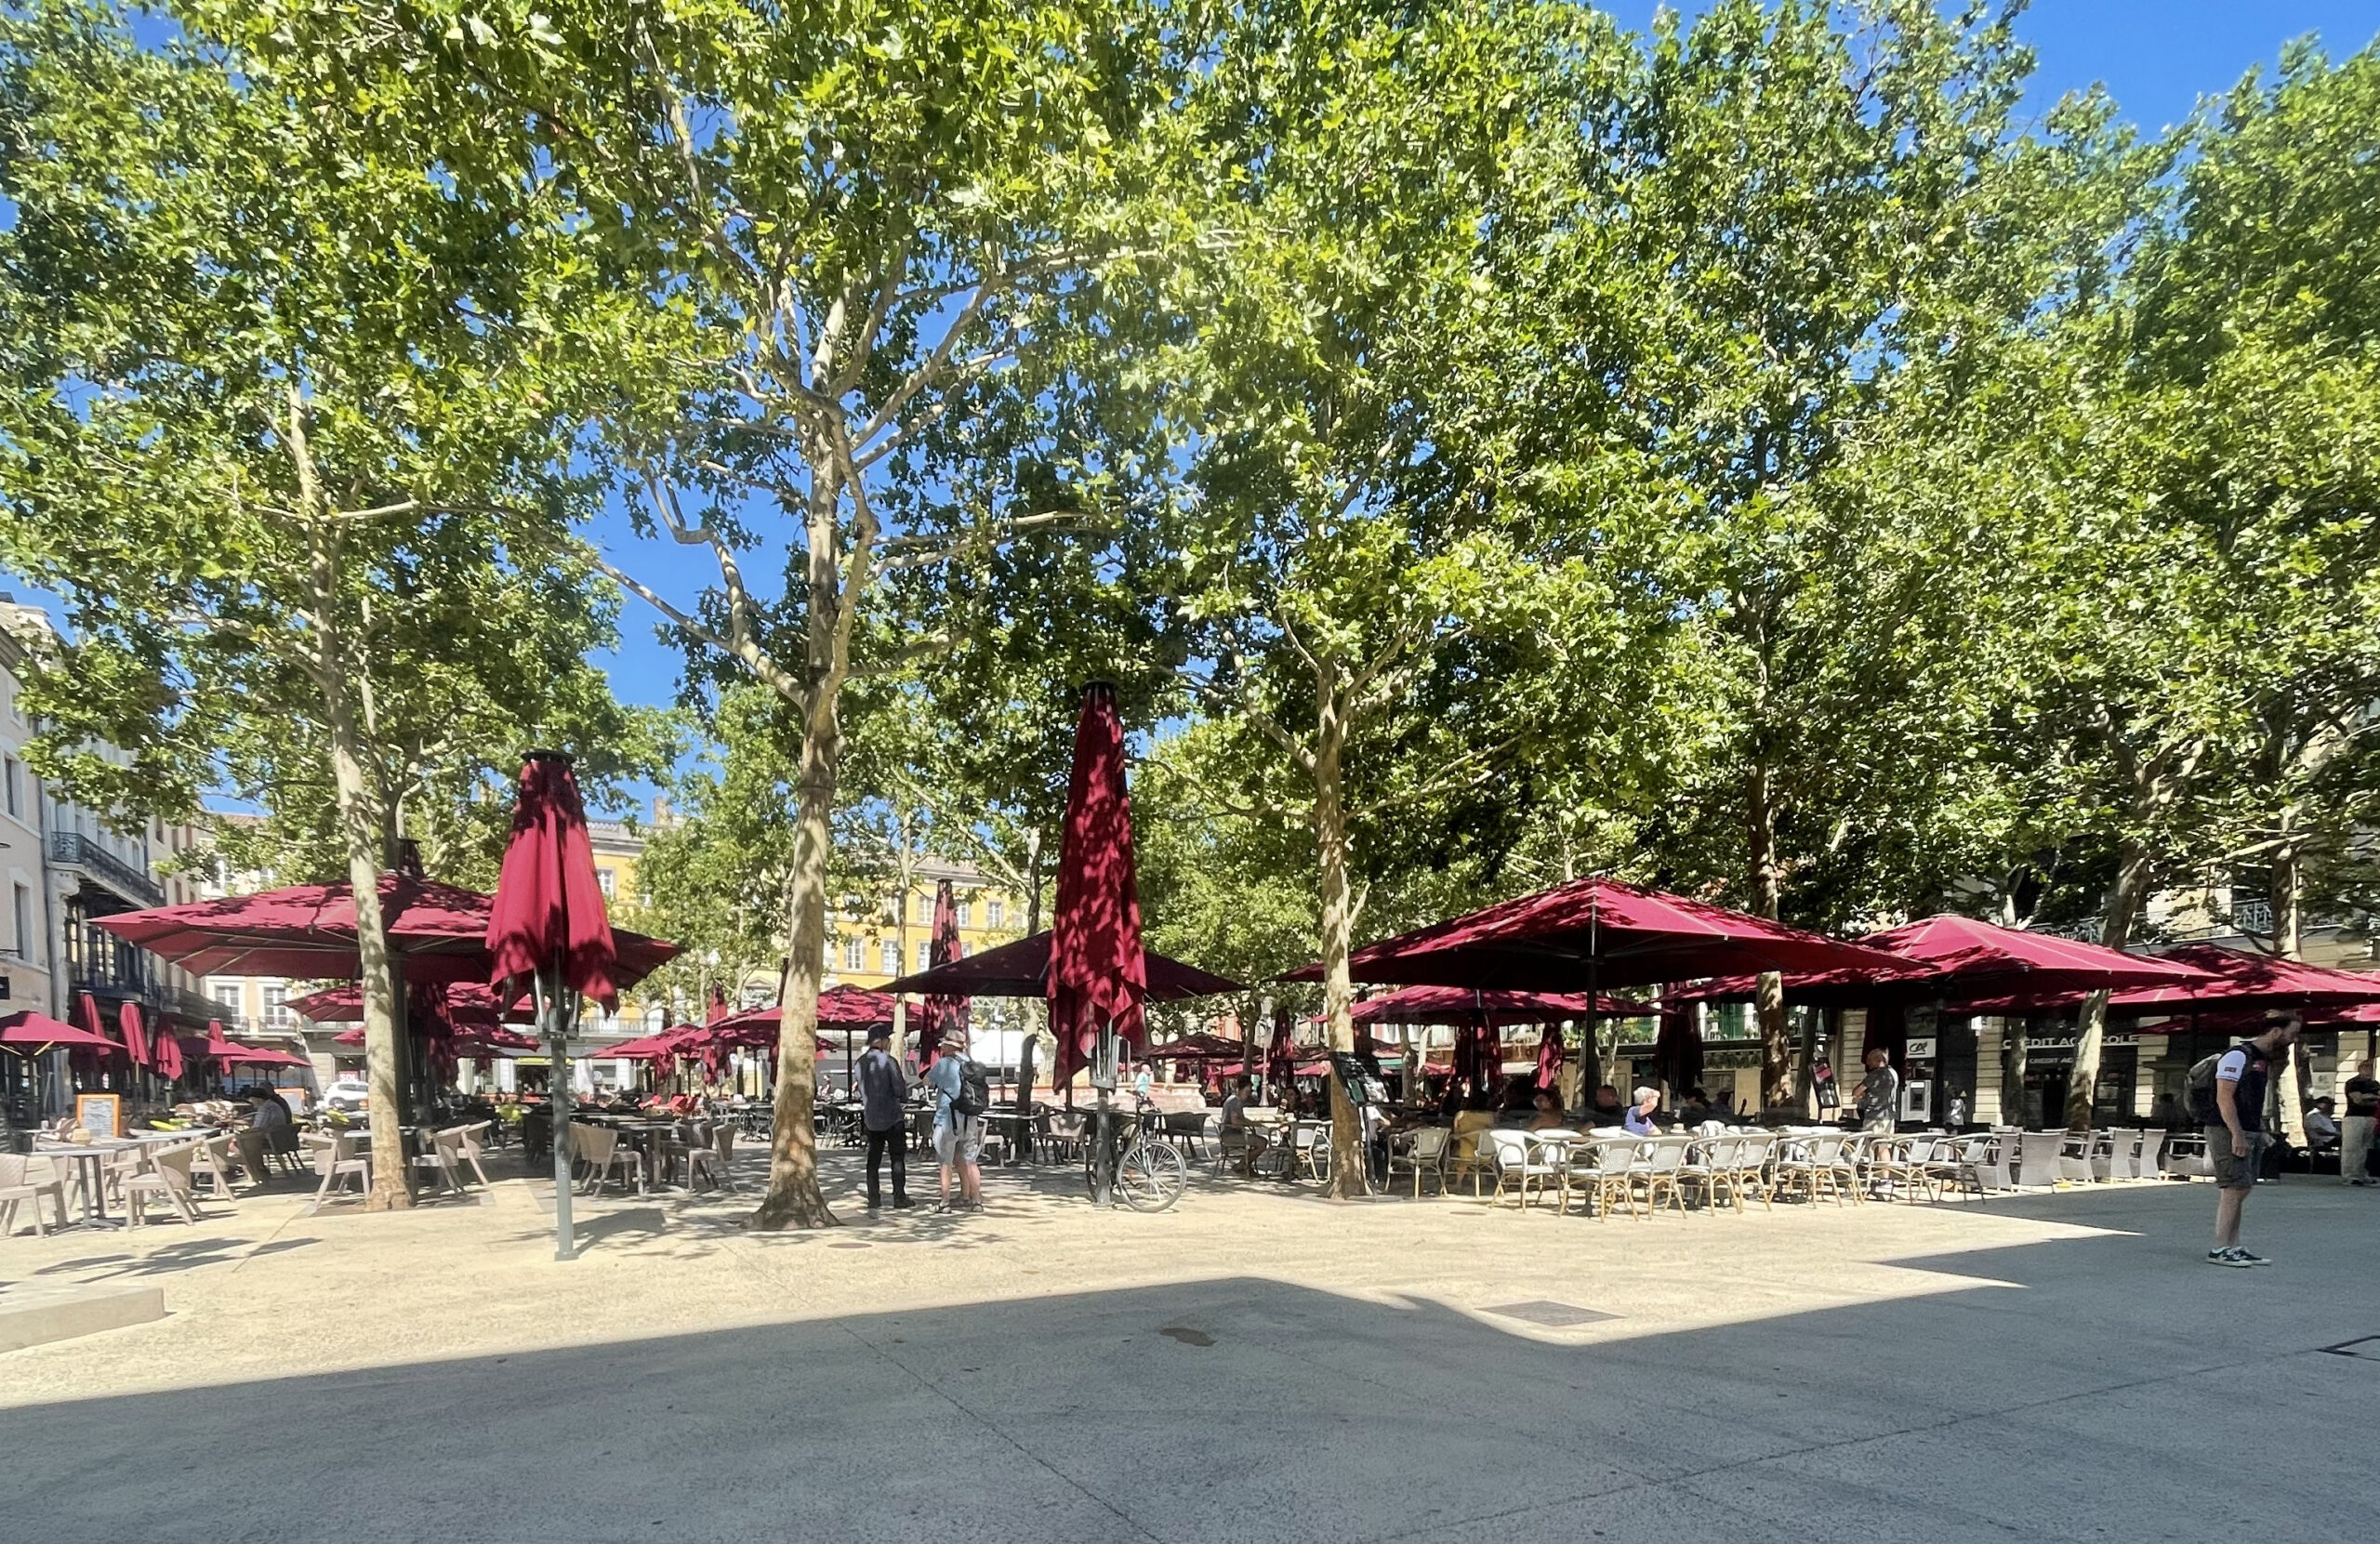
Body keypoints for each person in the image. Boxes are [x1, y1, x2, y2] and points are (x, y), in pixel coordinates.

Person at [2200, 1010, 2301, 1267]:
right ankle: (2220, 1247)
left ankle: (2232, 1245)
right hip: (2227, 1129)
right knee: (2233, 1187)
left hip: (2248, 1129)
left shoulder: (2262, 1060)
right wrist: (2236, 1133)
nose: (2294, 1040)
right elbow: (2224, 1096)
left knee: (2243, 1186)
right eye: (2292, 1034)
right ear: (2275, 1032)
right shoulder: (2237, 1055)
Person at [925, 1033, 984, 1213]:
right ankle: (974, 1200)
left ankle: (945, 1202)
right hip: (970, 1118)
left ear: (949, 1046)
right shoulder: (972, 1064)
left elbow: (926, 1081)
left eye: (943, 1045)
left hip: (948, 1119)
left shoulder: (944, 1064)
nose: (941, 1048)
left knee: (945, 1161)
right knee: (969, 1160)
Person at [856, 1025, 911, 1210]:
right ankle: (899, 1197)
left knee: (873, 1160)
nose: (889, 1043)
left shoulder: (859, 1063)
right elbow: (899, 1089)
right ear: (880, 1040)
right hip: (892, 1117)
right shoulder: (888, 1061)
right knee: (897, 1157)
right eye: (888, 1039)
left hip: (871, 1118)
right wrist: (904, 1097)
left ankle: (874, 1198)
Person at [2342, 1058, 2379, 1186]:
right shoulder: (2353, 1082)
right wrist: (2372, 1097)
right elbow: (2357, 1099)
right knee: (2351, 1147)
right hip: (2354, 1117)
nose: (2369, 1069)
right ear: (2360, 1068)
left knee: (2364, 1148)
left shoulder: (2375, 1084)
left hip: (2370, 1117)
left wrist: (2369, 1098)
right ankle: (2349, 1175)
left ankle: (2361, 1173)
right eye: (2366, 1067)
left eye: (2371, 1067)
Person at [1221, 1076, 1269, 1176]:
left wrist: (1254, 1122)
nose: (1248, 1095)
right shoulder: (1234, 1101)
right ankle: (1242, 1165)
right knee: (1262, 1143)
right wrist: (1251, 1124)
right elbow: (1235, 1121)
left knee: (1258, 1141)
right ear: (1240, 1090)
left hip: (1232, 1133)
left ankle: (1245, 1165)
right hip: (1230, 1135)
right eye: (1247, 1092)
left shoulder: (1235, 1101)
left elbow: (1241, 1119)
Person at [1852, 1048, 1899, 1134]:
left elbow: (1856, 1092)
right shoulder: (1893, 1073)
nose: (1867, 1063)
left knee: (1869, 1144)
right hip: (1889, 1116)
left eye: (1870, 1060)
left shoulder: (1875, 1075)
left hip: (1874, 1116)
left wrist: (1862, 1095)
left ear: (1878, 1060)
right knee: (1884, 1144)